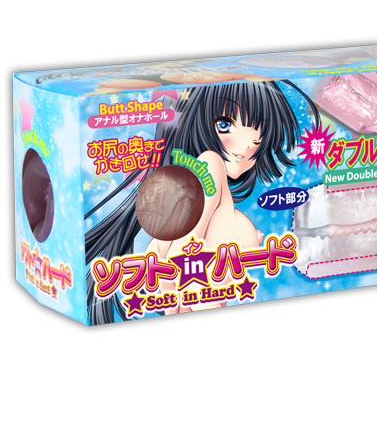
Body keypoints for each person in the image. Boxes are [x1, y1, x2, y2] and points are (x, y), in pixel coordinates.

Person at [85, 80, 320, 324]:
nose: (245, 146)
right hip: (198, 276)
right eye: (225, 125)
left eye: (258, 130)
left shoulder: (202, 179)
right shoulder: (211, 163)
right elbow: (190, 239)